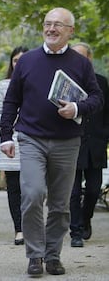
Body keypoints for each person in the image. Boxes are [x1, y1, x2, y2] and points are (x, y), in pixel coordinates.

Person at [0, 8, 103, 276]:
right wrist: (6, 138)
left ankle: (53, 255)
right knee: (32, 195)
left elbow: (96, 98)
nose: (52, 28)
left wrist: (77, 109)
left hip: (67, 142)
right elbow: (11, 101)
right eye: (48, 23)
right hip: (31, 138)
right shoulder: (27, 61)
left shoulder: (81, 64)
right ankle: (35, 255)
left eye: (59, 24)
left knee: (60, 204)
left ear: (71, 30)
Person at [69, 42, 109, 248]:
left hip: (96, 145)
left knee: (93, 190)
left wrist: (105, 136)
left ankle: (86, 219)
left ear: (89, 59)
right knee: (73, 192)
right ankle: (75, 231)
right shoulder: (65, 82)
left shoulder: (101, 82)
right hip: (72, 143)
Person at [0, 46, 28, 245]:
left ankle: (33, 226)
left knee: (33, 188)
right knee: (14, 188)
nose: (19, 63)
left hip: (35, 140)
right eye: (15, 60)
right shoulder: (4, 85)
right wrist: (13, 121)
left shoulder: (38, 82)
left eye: (23, 59)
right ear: (12, 63)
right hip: (10, 141)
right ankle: (19, 229)